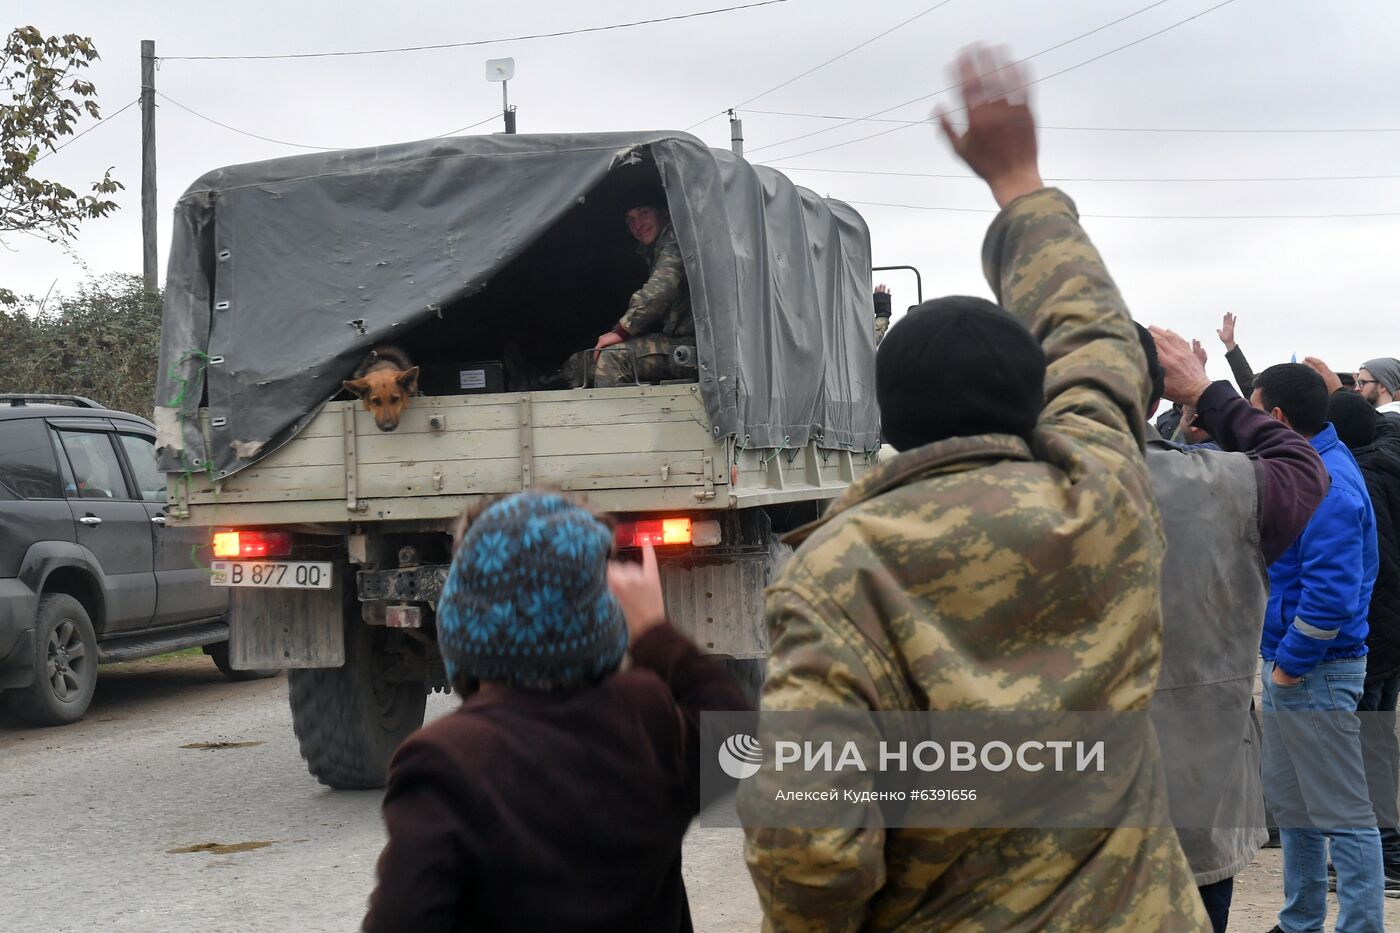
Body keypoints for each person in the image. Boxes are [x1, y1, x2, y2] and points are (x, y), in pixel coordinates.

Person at [743, 46, 1209, 931]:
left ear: (889, 417)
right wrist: (1020, 183)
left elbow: (811, 850)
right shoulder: (1100, 496)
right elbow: (1097, 344)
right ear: (1031, 401)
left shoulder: (840, 571)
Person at [363, 491, 750, 932]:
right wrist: (655, 634)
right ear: (602, 617)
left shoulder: (444, 761)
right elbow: (739, 746)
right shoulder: (648, 717)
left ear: (460, 619)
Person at [1141, 327, 1328, 932]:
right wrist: (1206, 389)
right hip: (1190, 801)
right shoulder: (1219, 488)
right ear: (1152, 400)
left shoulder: (975, 494)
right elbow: (1300, 464)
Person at [1250, 363, 1383, 933]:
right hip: (1294, 663)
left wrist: (1288, 670)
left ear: (1278, 418)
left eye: (1253, 412)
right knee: (1297, 808)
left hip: (1315, 670)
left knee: (1343, 814)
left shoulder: (1327, 483)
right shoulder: (1311, 463)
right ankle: (1300, 919)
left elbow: (1331, 597)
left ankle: (1360, 925)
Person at [1330, 390, 1400, 891]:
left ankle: (1388, 852)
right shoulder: (1390, 455)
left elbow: (1372, 566)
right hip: (1392, 631)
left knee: (1365, 743)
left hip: (1375, 628)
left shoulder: (1362, 481)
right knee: (1377, 738)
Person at [563, 185, 695, 388]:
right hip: (673, 340)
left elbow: (660, 291)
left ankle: (611, 420)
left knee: (613, 358)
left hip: (694, 348)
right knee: (579, 363)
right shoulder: (652, 250)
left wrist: (622, 330)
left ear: (664, 213)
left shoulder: (676, 240)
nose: (638, 224)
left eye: (644, 213)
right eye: (630, 219)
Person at [1356, 357, 1400, 424]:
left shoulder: (1389, 422)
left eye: (1362, 382)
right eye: (1357, 383)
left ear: (1382, 386)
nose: (1357, 388)